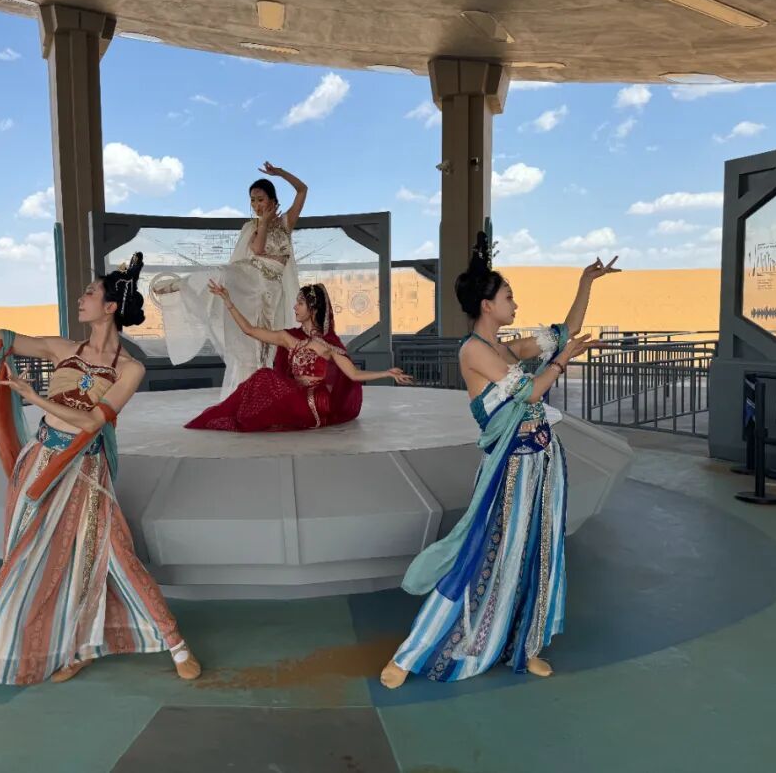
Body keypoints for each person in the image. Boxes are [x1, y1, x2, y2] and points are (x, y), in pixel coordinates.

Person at [0, 237, 201, 686]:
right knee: (36, 558)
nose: (81, 298)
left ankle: (176, 643)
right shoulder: (60, 348)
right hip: (39, 464)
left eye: (89, 292)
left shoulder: (131, 369)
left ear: (110, 307)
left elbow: (92, 423)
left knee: (115, 554)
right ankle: (75, 647)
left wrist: (35, 397)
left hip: (85, 469)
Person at [379, 236, 620, 688]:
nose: (515, 303)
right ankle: (412, 653)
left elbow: (566, 330)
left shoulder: (509, 348)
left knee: (539, 552)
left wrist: (586, 282)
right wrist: (562, 360)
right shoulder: (474, 351)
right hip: (510, 469)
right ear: (487, 305)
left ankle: (526, 645)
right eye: (509, 297)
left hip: (545, 460)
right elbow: (530, 392)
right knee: (483, 555)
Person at [153, 162, 308, 397]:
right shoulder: (253, 227)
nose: (256, 205)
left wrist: (280, 173)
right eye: (252, 200)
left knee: (266, 341)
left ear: (273, 200)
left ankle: (263, 391)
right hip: (251, 276)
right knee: (221, 275)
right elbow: (257, 250)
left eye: (260, 199)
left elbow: (302, 190)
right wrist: (264, 223)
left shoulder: (286, 222)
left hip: (273, 287)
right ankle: (180, 286)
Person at [185, 280, 413, 432]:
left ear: (313, 309)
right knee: (262, 378)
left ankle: (240, 419)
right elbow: (250, 330)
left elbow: (353, 375)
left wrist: (387, 372)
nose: (295, 307)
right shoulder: (288, 338)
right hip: (295, 393)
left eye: (300, 303)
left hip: (316, 402)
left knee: (265, 378)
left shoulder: (326, 345)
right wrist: (228, 302)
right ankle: (232, 416)